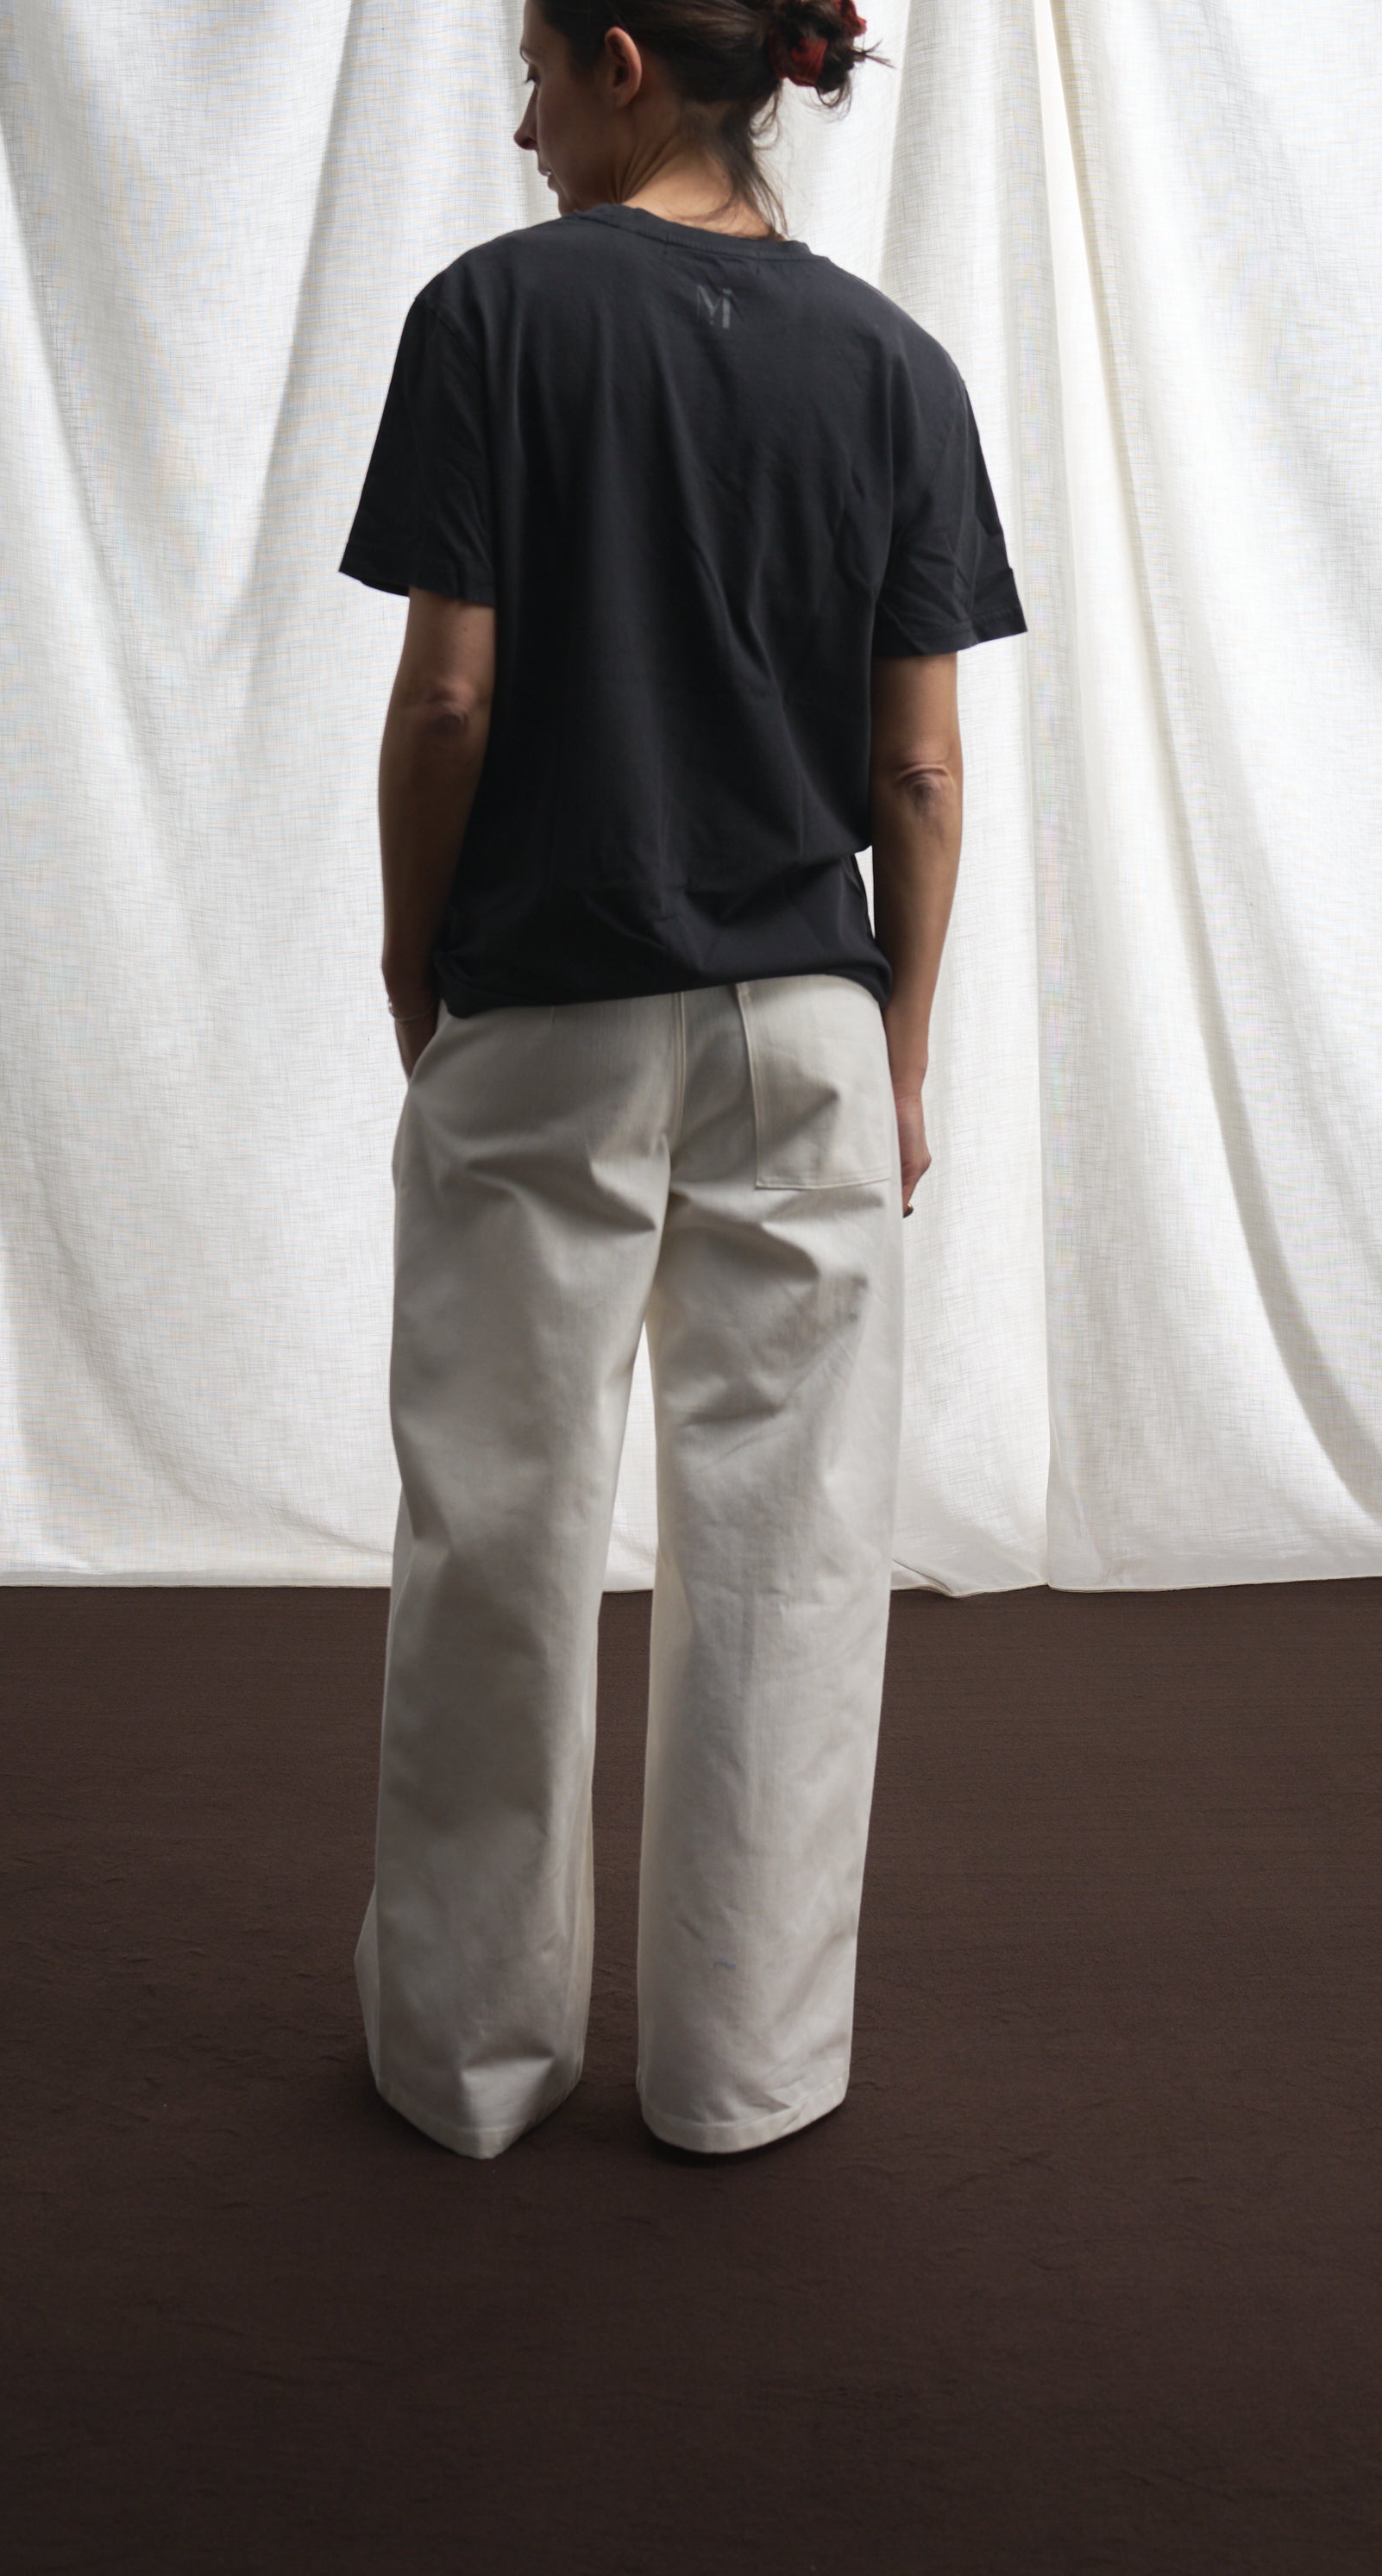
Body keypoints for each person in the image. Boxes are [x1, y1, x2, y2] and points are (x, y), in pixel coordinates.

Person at [336, 0, 1027, 2161]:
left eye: (534, 75)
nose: (522, 123)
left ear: (621, 59)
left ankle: (469, 2060)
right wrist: (900, 1045)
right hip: (803, 1016)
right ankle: (746, 2072)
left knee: (499, 1534)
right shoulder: (899, 369)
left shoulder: (494, 317)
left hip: (547, 1001)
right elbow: (919, 768)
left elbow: (449, 702)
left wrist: (409, 955)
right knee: (794, 1557)